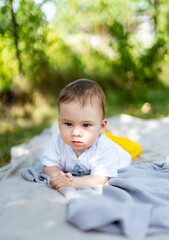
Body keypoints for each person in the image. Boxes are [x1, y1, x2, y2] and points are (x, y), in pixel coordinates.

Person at [41, 79, 136, 192]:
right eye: (68, 124)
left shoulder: (105, 148)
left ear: (101, 126)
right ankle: (105, 130)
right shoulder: (56, 141)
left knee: (132, 146)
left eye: (85, 125)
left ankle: (114, 133)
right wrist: (59, 176)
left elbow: (99, 178)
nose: (76, 133)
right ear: (59, 122)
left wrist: (72, 183)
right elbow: (48, 166)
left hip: (121, 151)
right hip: (97, 134)